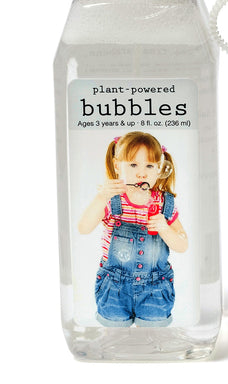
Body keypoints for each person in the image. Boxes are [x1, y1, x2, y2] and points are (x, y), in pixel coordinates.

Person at [78, 131, 188, 327]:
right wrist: (101, 197)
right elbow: (84, 228)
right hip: (114, 286)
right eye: (133, 165)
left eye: (149, 166)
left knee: (153, 335)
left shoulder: (164, 204)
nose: (142, 173)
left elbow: (182, 245)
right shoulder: (112, 200)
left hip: (155, 287)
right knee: (115, 334)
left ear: (159, 169)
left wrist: (164, 228)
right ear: (117, 166)